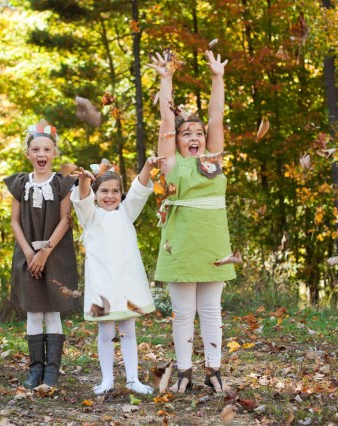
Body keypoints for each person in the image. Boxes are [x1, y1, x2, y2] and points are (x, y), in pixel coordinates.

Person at [147, 49, 236, 393]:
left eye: (198, 133)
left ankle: (214, 370)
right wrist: (166, 79)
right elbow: (166, 123)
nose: (195, 137)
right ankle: (184, 370)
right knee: (184, 312)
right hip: (180, 243)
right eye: (188, 134)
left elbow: (216, 118)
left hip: (213, 242)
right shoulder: (171, 164)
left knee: (211, 309)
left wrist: (218, 77)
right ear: (179, 141)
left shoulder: (213, 161)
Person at [70, 158, 161, 395]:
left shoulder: (126, 212)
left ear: (121, 194)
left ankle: (133, 379)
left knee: (129, 331)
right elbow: (82, 199)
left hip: (126, 282)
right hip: (103, 284)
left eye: (115, 191)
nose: (110, 196)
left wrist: (148, 166)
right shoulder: (90, 216)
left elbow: (139, 190)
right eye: (104, 191)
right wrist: (83, 181)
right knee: (107, 333)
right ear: (95, 193)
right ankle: (107, 379)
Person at [3, 119, 78, 389]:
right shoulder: (20, 183)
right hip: (27, 254)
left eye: (47, 150)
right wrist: (28, 252)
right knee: (34, 312)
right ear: (28, 154)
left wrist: (44, 253)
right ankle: (35, 369)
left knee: (52, 312)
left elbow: (65, 219)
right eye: (36, 150)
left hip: (55, 255)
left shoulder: (62, 184)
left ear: (54, 153)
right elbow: (14, 221)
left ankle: (52, 372)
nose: (41, 155)